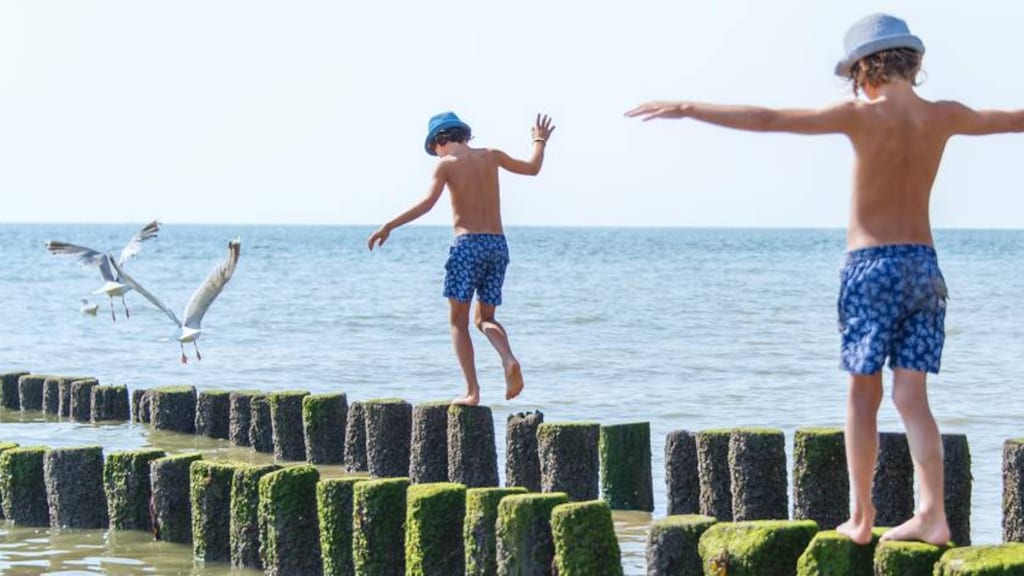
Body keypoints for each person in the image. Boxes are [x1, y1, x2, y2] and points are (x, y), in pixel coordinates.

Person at [627, 13, 1024, 545]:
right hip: (925, 268)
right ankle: (932, 514)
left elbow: (769, 118)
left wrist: (689, 107)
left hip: (871, 268)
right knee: (913, 398)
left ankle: (862, 518)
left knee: (864, 395)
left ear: (864, 69)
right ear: (914, 63)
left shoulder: (860, 115)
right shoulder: (945, 115)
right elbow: (1015, 118)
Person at [368, 111, 555, 406]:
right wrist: (539, 140)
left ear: (440, 141)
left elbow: (427, 204)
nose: (436, 154)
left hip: (467, 245)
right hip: (497, 244)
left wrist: (390, 224)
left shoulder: (446, 165)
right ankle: (508, 358)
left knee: (458, 321)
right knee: (486, 318)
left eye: (434, 150)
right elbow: (532, 168)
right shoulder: (491, 155)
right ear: (464, 135)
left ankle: (472, 391)